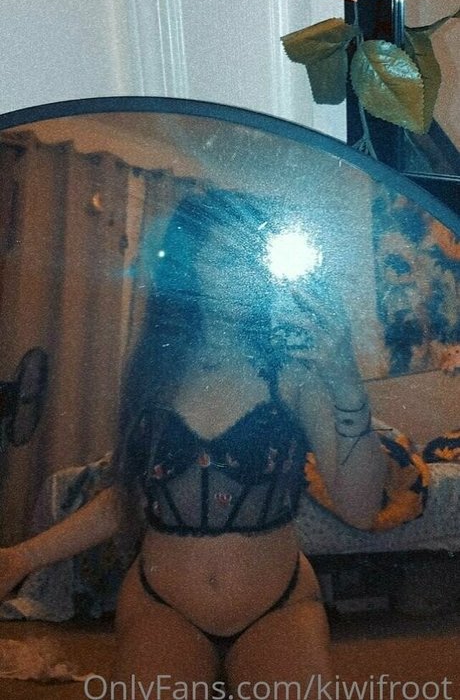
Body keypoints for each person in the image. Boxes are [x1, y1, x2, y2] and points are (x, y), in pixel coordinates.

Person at [0, 186, 387, 691]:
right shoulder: (155, 370)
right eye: (225, 259)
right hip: (162, 604)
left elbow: (360, 510)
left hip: (279, 604)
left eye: (252, 258)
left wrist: (347, 381)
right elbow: (129, 496)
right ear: (189, 269)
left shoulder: (295, 373)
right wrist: (23, 557)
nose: (244, 274)